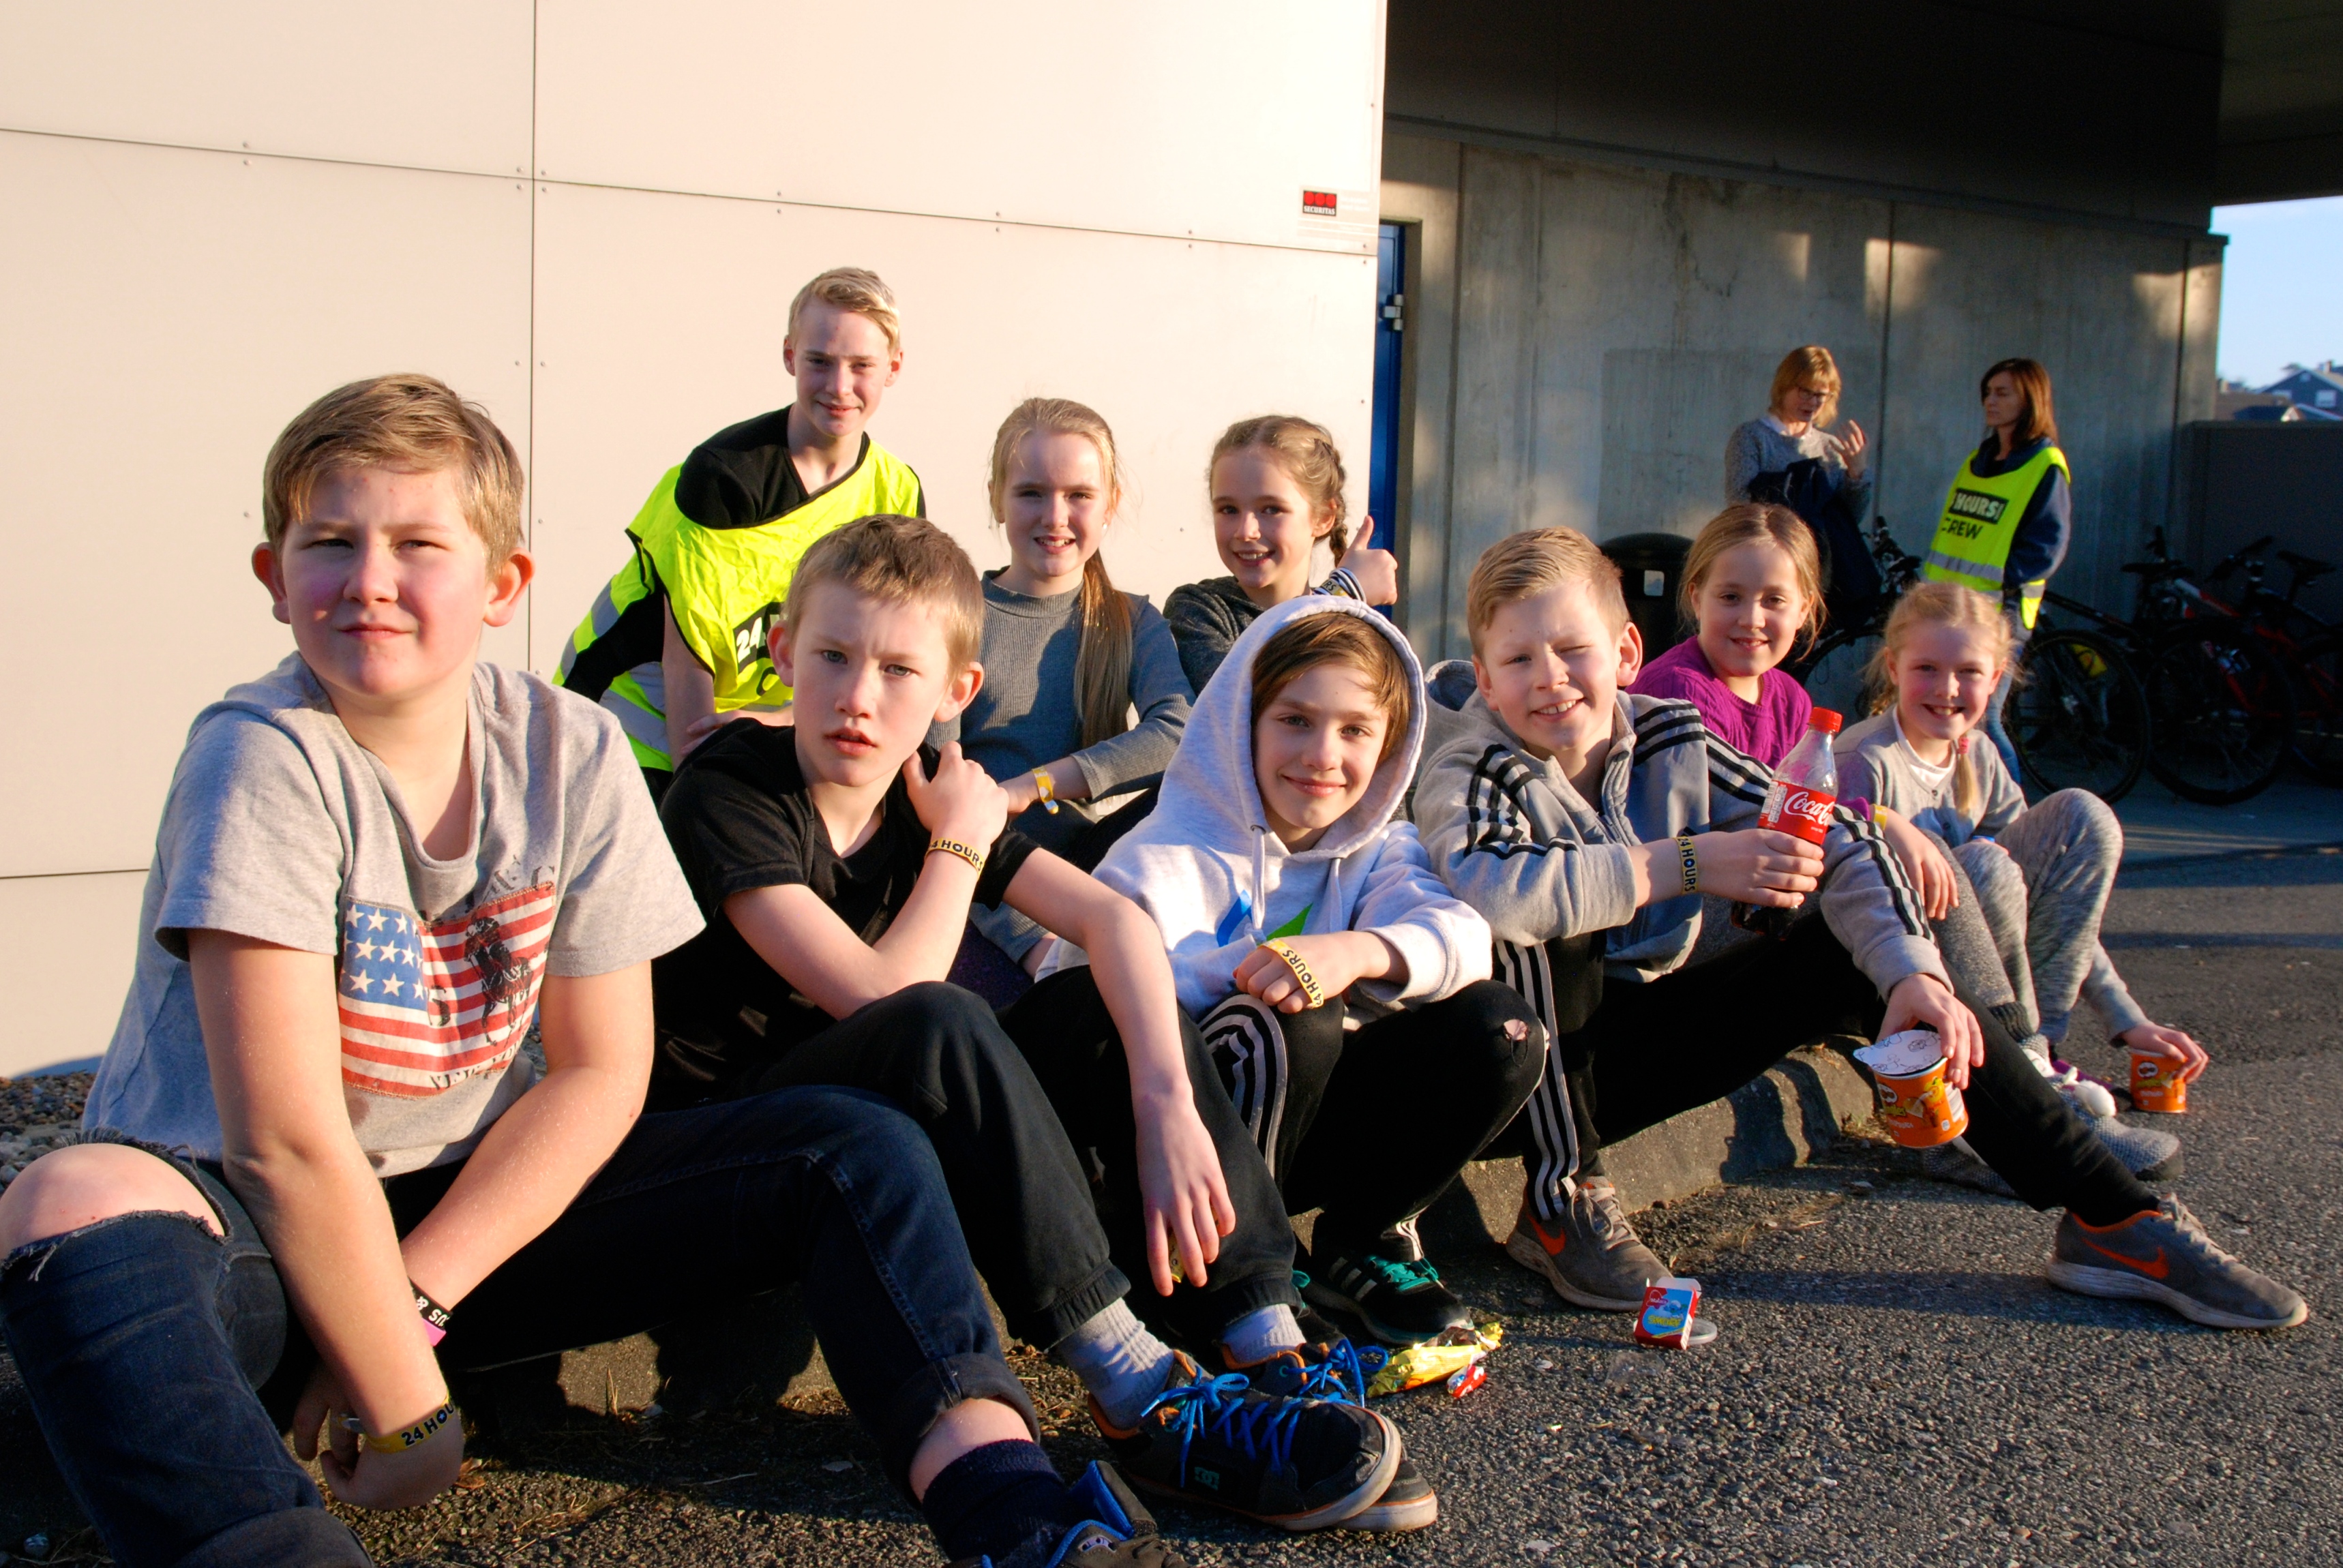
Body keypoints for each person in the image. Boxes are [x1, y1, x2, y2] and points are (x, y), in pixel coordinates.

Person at [0, 377, 1187, 1568]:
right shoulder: (263, 755)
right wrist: (405, 1403)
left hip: (476, 1220)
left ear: (503, 586)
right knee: (66, 1200)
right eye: (331, 542)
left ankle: (1015, 1514)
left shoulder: (570, 751)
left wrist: (407, 1321)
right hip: (256, 1233)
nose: (369, 579)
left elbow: (600, 1075)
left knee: (851, 1146)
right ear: (274, 577)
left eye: (420, 545)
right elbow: (289, 1146)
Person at [648, 514, 1421, 1532]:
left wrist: (1164, 1104)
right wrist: (960, 850)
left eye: (898, 670)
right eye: (832, 656)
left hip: (878, 1120)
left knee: (1097, 1003)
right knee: (941, 1018)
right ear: (786, 652)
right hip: (730, 1142)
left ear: (954, 692)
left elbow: (1114, 922)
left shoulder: (918, 789)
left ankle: (1267, 1346)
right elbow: (885, 1000)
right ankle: (1142, 1395)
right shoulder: (731, 790)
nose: (859, 697)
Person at [1414, 524, 2305, 1332]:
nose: (1550, 678)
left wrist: (1911, 974)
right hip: (1514, 1073)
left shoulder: (1671, 733)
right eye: (1519, 660)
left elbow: (1835, 832)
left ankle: (2115, 1218)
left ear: (1625, 650)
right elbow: (1497, 891)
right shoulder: (1474, 762)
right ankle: (1563, 1201)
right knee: (1544, 917)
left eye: (1572, 649)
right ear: (1484, 676)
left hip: (1631, 1052)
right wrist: (1687, 862)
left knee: (1863, 947)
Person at [1629, 509, 2177, 1183]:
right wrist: (1884, 821)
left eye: (1773, 599)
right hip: (1686, 918)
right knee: (1911, 870)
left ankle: (2006, 1078)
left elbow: (1806, 821)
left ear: (1807, 609)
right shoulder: (1675, 691)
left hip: (1763, 898)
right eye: (1730, 596)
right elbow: (1762, 815)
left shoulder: (1789, 699)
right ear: (1695, 598)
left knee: (1948, 866)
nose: (1751, 617)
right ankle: (2004, 1101)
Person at [1059, 597, 1542, 1348]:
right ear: (1239, 722)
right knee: (1284, 1008)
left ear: (1389, 748)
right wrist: (1263, 969)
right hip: (1166, 1155)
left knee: (1502, 1026)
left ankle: (1363, 1240)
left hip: (1299, 1127)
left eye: (1355, 730)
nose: (1323, 754)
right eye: (1294, 719)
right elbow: (1088, 1010)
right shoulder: (1158, 854)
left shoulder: (1378, 847)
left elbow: (1463, 938)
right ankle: (1231, 1282)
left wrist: (1352, 952)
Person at [1837, 582, 2209, 1157]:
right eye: (1927, 669)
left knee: (2082, 817)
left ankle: (2042, 1056)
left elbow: (2063, 901)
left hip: (1990, 978)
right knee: (1984, 863)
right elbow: (1837, 872)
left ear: (1998, 677)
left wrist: (2125, 1018)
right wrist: (1883, 820)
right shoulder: (1866, 758)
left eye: (1968, 672)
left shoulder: (1977, 753)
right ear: (1893, 666)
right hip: (1901, 974)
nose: (1948, 689)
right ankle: (2023, 1084)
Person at [554, 267, 924, 800]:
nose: (839, 387)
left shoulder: (898, 492)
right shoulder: (724, 478)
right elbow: (691, 700)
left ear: (893, 368)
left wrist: (781, 723)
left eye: (861, 366)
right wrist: (712, 778)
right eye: (819, 361)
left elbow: (889, 652)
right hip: (630, 721)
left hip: (762, 725)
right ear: (790, 356)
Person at [951, 399, 1193, 966]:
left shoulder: (1131, 620)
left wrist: (1034, 786)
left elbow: (1178, 733)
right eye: (1032, 493)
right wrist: (1025, 938)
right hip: (981, 871)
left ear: (1110, 506)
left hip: (1090, 870)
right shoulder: (957, 616)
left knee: (1187, 792)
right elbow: (937, 792)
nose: (1055, 517)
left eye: (1079, 496)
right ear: (998, 500)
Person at [1163, 415, 1400, 696]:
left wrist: (1342, 602)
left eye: (1271, 509)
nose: (1246, 531)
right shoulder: (1200, 609)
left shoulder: (1354, 626)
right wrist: (1341, 594)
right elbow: (1239, 701)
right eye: (1229, 509)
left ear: (1323, 517)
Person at [1922, 357, 2070, 774]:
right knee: (1954, 721)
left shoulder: (2045, 465)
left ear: (2030, 400)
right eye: (1988, 392)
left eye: (2002, 393)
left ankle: (2011, 817)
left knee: (1983, 720)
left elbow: (2046, 547)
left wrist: (2000, 583)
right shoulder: (1978, 460)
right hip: (1949, 609)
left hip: (1997, 614)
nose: (1990, 401)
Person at [1724, 346, 1875, 620]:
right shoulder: (1753, 437)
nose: (1812, 402)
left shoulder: (1829, 447)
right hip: (1767, 565)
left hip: (1821, 573)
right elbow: (1739, 502)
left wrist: (1856, 474)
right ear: (1784, 387)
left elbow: (1849, 518)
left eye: (1821, 395)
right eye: (1805, 391)